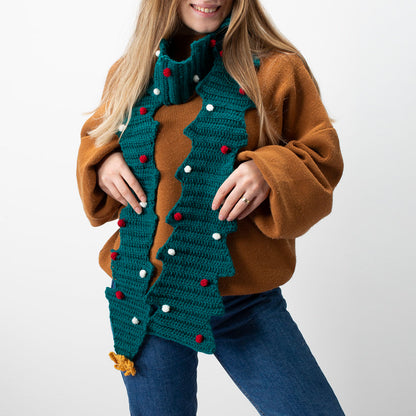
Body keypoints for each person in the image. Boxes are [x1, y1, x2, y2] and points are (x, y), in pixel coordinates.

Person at [76, 0, 346, 414]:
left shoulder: (277, 68)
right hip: (148, 295)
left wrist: (269, 169)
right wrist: (105, 158)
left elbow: (322, 157)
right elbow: (97, 133)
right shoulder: (131, 72)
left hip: (245, 300)